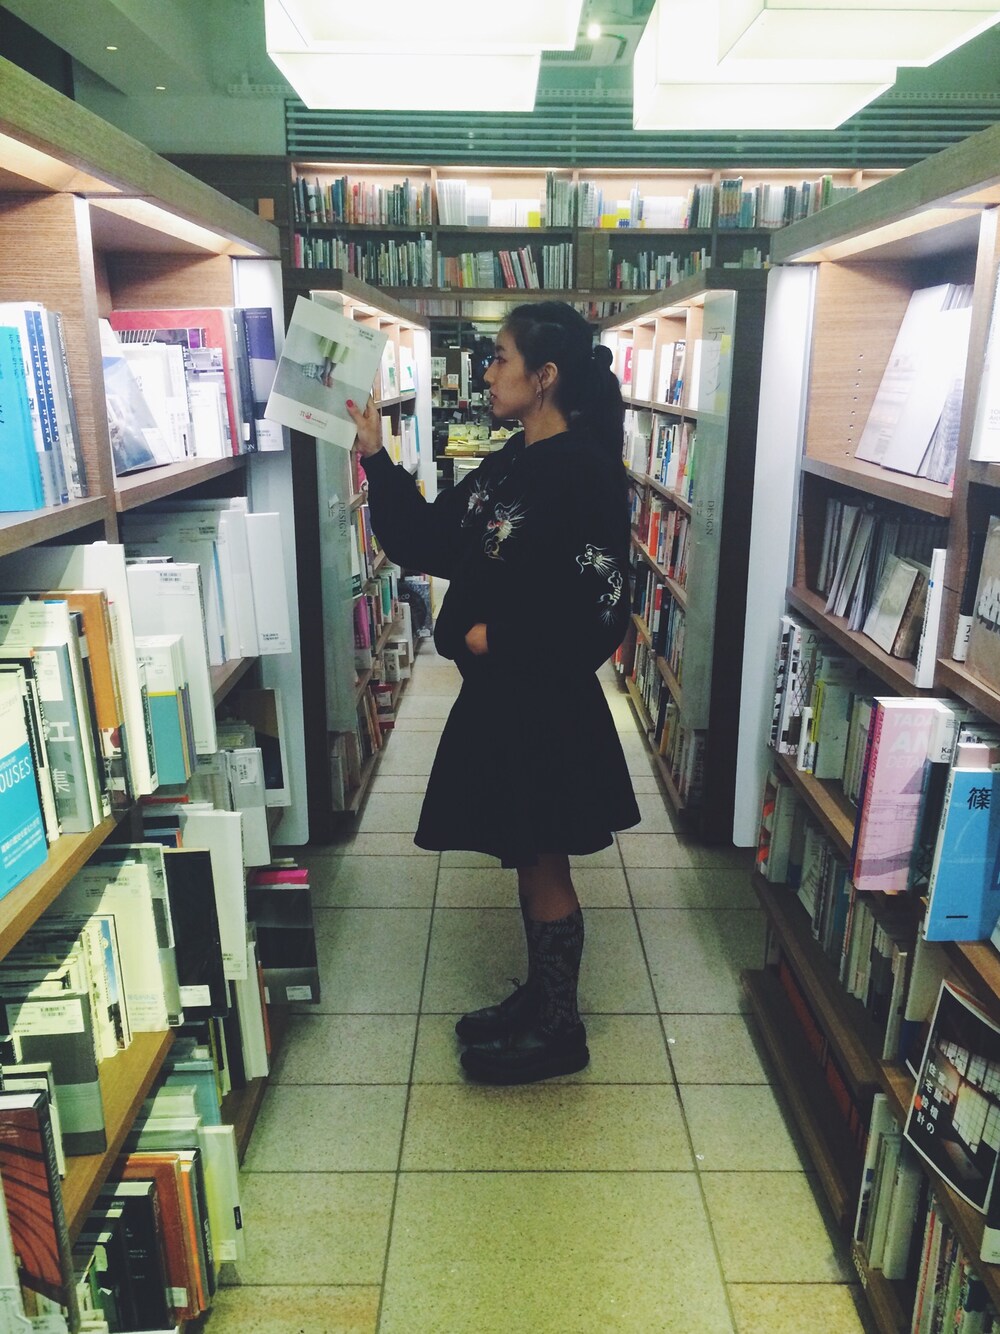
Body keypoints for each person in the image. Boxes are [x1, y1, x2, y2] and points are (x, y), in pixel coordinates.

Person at [346, 301, 640, 1085]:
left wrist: (494, 638)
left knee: (545, 859)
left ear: (544, 377)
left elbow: (602, 604)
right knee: (528, 853)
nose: (486, 371)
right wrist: (375, 456)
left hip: (544, 703)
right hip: (505, 702)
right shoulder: (514, 460)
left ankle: (560, 1030)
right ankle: (541, 1001)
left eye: (501, 357)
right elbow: (433, 537)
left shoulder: (583, 471)